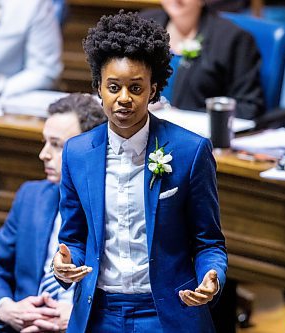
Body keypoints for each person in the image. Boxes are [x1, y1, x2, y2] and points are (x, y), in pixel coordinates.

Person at [52, 12, 228, 332]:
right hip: (99, 311)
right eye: (113, 87)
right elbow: (74, 238)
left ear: (153, 89)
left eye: (135, 88)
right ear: (98, 88)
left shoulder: (190, 151)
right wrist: (64, 263)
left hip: (167, 311)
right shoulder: (76, 153)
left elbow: (209, 242)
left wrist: (211, 277)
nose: (124, 99)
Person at [0, 93, 106, 332]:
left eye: (56, 145)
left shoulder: (113, 207)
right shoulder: (31, 196)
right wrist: (6, 308)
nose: (43, 154)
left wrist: (79, 318)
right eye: (45, 142)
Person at [140, 0, 265, 120]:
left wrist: (183, 116)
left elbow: (248, 107)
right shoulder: (142, 26)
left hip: (197, 136)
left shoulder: (233, 38)